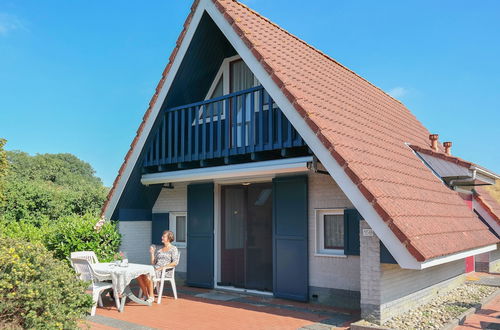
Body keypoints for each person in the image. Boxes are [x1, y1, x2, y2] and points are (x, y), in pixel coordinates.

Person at [137, 230, 180, 303]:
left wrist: (163, 268)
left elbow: (175, 262)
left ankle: (151, 295)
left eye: (164, 236)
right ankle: (147, 295)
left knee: (149, 275)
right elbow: (153, 262)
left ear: (169, 238)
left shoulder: (173, 249)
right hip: (156, 268)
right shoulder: (160, 250)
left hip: (165, 271)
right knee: (139, 275)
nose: (162, 237)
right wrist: (152, 253)